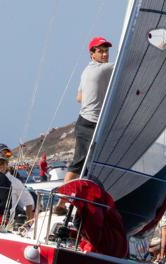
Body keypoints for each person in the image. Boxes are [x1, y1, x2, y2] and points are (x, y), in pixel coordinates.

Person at [55, 36, 114, 214]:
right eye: (100, 51)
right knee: (80, 163)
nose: (105, 54)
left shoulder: (86, 71)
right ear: (92, 54)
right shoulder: (104, 69)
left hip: (89, 121)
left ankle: (82, 200)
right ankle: (61, 203)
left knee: (86, 163)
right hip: (91, 123)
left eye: (106, 51)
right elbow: (129, 64)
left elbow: (79, 97)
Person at [0, 151, 35, 221]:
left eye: (2, 163)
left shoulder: (15, 182)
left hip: (6, 221)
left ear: (6, 164)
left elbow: (28, 202)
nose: (0, 166)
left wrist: (28, 222)